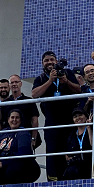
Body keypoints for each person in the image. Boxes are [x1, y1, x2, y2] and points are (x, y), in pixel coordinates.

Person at [31, 51, 80, 179]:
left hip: (69, 121)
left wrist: (66, 82)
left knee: (71, 150)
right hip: (52, 122)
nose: (49, 62)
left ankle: (70, 178)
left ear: (56, 61)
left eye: (52, 60)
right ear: (42, 64)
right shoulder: (40, 79)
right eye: (46, 60)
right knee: (53, 154)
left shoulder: (68, 73)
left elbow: (79, 90)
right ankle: (53, 181)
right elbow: (34, 94)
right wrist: (50, 81)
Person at [0, 110, 41, 186]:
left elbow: (23, 155)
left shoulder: (23, 133)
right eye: (12, 117)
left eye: (17, 118)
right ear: (8, 120)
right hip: (6, 164)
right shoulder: (3, 133)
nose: (14, 120)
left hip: (25, 166)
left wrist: (3, 164)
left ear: (20, 120)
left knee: (12, 171)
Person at [3, 75, 40, 148]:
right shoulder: (5, 103)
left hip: (25, 136)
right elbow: (1, 122)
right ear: (9, 85)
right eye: (12, 82)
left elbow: (35, 121)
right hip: (8, 138)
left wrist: (33, 138)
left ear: (21, 84)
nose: (14, 84)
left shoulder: (29, 101)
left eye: (16, 82)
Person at [63, 107, 94, 180]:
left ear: (86, 116)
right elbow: (67, 156)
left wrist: (89, 127)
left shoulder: (93, 129)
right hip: (78, 167)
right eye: (75, 117)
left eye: (80, 115)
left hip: (91, 164)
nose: (78, 118)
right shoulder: (71, 135)